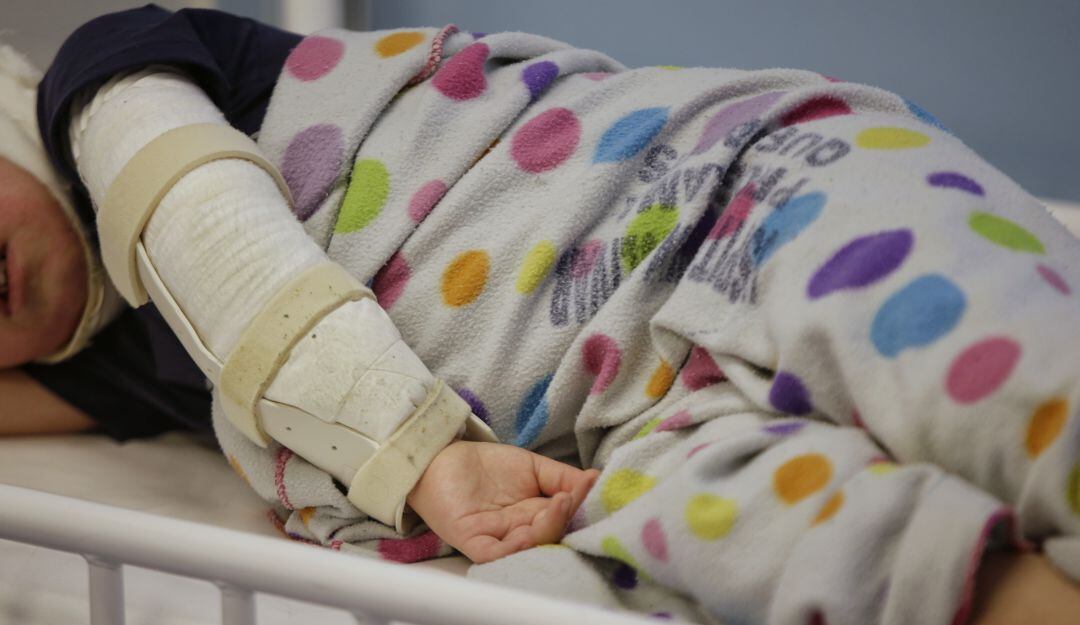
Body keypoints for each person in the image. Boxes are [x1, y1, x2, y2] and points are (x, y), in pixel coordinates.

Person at [7, 5, 1080, 624]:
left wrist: (415, 452)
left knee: (987, 356)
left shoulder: (109, 77)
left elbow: (204, 237)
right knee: (765, 544)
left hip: (723, 199)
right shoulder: (122, 363)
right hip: (613, 435)